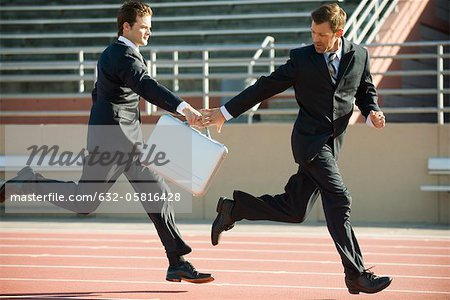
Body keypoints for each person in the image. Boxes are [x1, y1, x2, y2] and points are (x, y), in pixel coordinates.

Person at [0, 1, 213, 284]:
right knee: (132, 195)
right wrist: (184, 108)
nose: (149, 33)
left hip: (119, 136)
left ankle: (177, 262)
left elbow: (100, 93)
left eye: (150, 28)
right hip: (114, 138)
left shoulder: (118, 54)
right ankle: (177, 261)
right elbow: (145, 85)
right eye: (144, 28)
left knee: (104, 199)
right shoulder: (122, 54)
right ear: (126, 26)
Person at [202, 3, 392, 294]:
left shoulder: (360, 55)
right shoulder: (302, 58)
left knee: (294, 210)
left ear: (338, 33)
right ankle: (356, 274)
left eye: (321, 34)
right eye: (313, 31)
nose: (315, 38)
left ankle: (234, 208)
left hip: (332, 144)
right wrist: (225, 112)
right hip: (309, 143)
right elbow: (265, 86)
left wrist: (372, 113)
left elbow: (366, 91)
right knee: (339, 198)